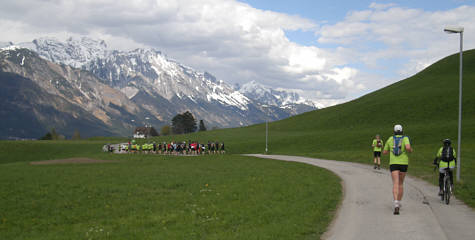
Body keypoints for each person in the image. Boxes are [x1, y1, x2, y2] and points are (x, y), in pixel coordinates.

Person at [383, 124, 412, 215]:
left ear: (394, 131)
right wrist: (410, 150)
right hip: (403, 163)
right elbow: (407, 148)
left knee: (395, 182)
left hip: (393, 163)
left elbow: (384, 152)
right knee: (400, 183)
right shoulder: (405, 138)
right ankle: (399, 203)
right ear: (402, 130)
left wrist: (390, 150)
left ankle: (395, 204)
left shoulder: (390, 139)